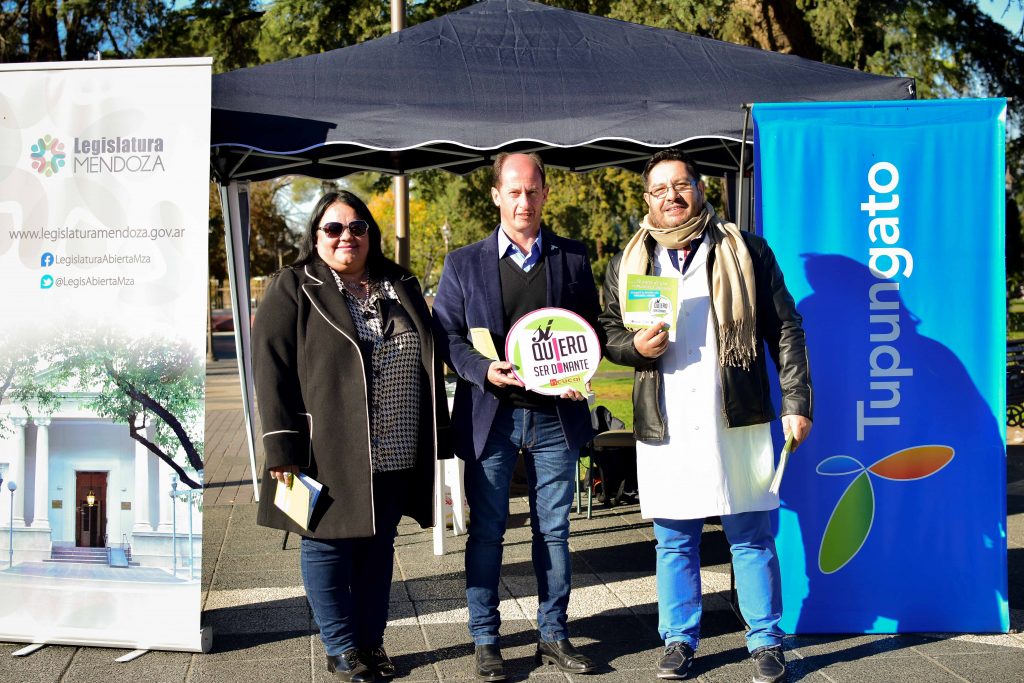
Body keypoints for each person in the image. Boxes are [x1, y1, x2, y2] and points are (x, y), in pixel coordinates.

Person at [598, 150, 812, 683]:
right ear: (647, 199)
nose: (671, 196)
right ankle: (678, 640)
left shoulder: (745, 251)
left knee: (751, 533)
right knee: (673, 540)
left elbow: (785, 329)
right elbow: (607, 333)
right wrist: (635, 348)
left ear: (699, 188)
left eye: (681, 184)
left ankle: (765, 639)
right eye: (659, 188)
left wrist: (796, 402)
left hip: (735, 418)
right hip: (666, 422)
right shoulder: (629, 263)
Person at [252, 190, 451, 682]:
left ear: (371, 233)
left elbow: (429, 358)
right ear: (316, 235)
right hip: (324, 450)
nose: (347, 237)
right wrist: (282, 446)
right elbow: (270, 370)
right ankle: (342, 649)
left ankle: (371, 642)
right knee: (325, 546)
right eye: (334, 228)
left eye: (357, 227)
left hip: (397, 446)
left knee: (379, 548)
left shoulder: (400, 282)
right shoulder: (293, 286)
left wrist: (440, 433)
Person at [433, 152, 602, 681]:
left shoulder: (573, 259)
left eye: (532, 191)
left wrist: (582, 374)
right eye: (513, 191)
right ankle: (486, 638)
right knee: (487, 532)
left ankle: (553, 633)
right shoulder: (463, 263)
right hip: (493, 418)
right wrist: (483, 371)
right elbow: (448, 337)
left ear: (546, 194)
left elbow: (588, 331)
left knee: (554, 532)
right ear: (495, 195)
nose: (523, 201)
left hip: (556, 419)